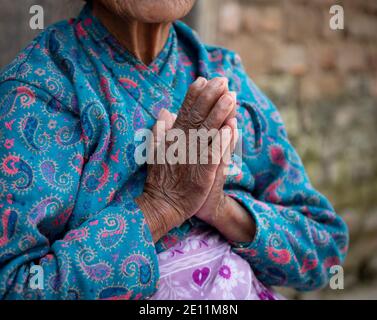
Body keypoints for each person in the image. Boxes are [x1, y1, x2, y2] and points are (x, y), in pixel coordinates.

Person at [0, 0, 348, 299]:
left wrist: (221, 209)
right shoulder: (41, 92)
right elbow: (13, 285)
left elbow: (324, 249)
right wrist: (160, 207)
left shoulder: (226, 77)